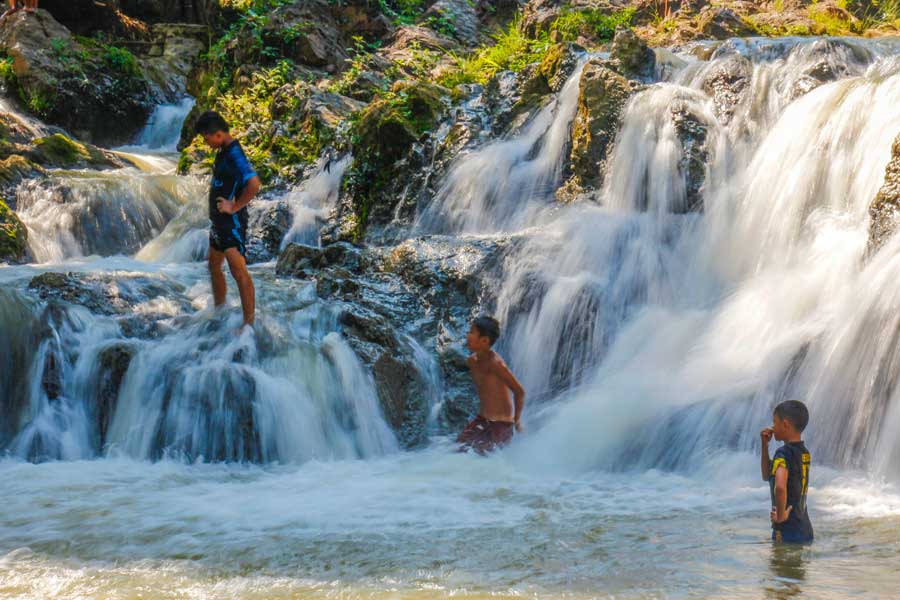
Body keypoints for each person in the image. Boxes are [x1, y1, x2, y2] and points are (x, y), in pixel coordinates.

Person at [194, 110, 260, 328]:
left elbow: (254, 184)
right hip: (218, 223)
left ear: (219, 135)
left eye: (206, 138)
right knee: (214, 265)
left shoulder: (234, 154)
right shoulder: (224, 150)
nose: (206, 142)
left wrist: (234, 206)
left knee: (238, 271)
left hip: (231, 223)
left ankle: (248, 324)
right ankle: (220, 309)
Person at [456, 316, 526, 454]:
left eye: (471, 332)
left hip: (501, 424)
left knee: (483, 457)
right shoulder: (472, 362)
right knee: (457, 450)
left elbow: (519, 392)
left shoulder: (496, 364)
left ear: (484, 340)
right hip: (482, 420)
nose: (467, 335)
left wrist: (516, 421)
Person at [760, 400, 814, 544]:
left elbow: (780, 486)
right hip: (804, 529)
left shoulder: (783, 454)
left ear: (785, 425)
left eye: (774, 422)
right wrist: (764, 446)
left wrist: (781, 514)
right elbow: (767, 476)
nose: (772, 426)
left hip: (786, 532)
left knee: (779, 566)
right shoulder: (804, 453)